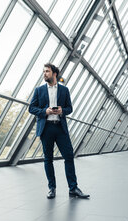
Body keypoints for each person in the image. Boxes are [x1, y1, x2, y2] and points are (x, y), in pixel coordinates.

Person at [28, 63, 90, 199]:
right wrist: (45, 111)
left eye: (47, 71)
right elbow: (31, 108)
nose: (44, 74)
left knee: (69, 156)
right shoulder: (39, 90)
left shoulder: (64, 90)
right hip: (46, 128)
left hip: (60, 128)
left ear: (54, 73)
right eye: (43, 71)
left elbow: (69, 108)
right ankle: (52, 188)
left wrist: (62, 111)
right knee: (48, 159)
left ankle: (73, 188)